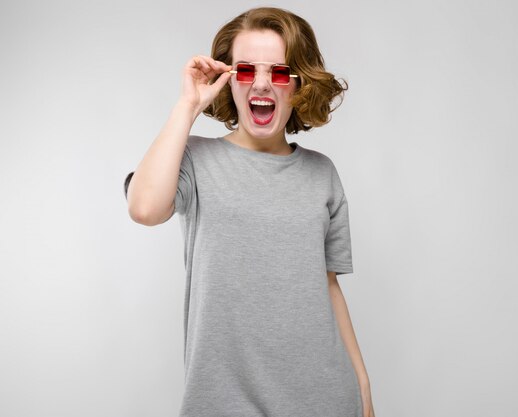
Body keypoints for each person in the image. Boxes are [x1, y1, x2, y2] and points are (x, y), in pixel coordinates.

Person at [124, 7, 375, 417]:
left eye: (278, 72)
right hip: (222, 402)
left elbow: (327, 286)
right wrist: (186, 107)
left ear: (299, 85)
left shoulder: (322, 174)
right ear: (228, 80)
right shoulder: (195, 160)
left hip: (324, 399)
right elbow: (145, 208)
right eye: (245, 71)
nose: (261, 83)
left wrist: (362, 384)